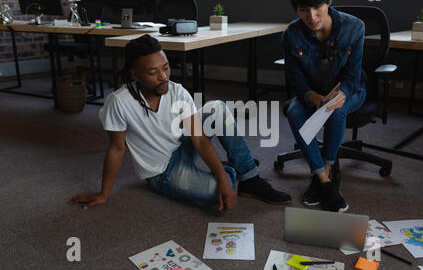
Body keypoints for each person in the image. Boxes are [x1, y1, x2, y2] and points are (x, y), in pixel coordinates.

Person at [68, 34, 291, 211]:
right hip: (162, 173)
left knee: (217, 109)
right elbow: (117, 148)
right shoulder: (118, 102)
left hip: (182, 147)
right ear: (135, 74)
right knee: (221, 193)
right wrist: (103, 193)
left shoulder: (177, 91)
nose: (163, 76)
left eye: (165, 67)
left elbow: (199, 139)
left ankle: (249, 177)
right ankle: (233, 170)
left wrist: (220, 176)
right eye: (153, 72)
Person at [282, 0, 367, 212]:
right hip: (312, 92)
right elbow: (296, 80)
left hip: (350, 90)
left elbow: (353, 77)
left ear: (329, 0)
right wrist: (312, 97)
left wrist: (340, 95)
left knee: (336, 111)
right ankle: (325, 182)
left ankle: (326, 172)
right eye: (303, 10)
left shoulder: (355, 27)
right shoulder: (291, 35)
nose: (312, 17)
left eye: (318, 7)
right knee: (294, 113)